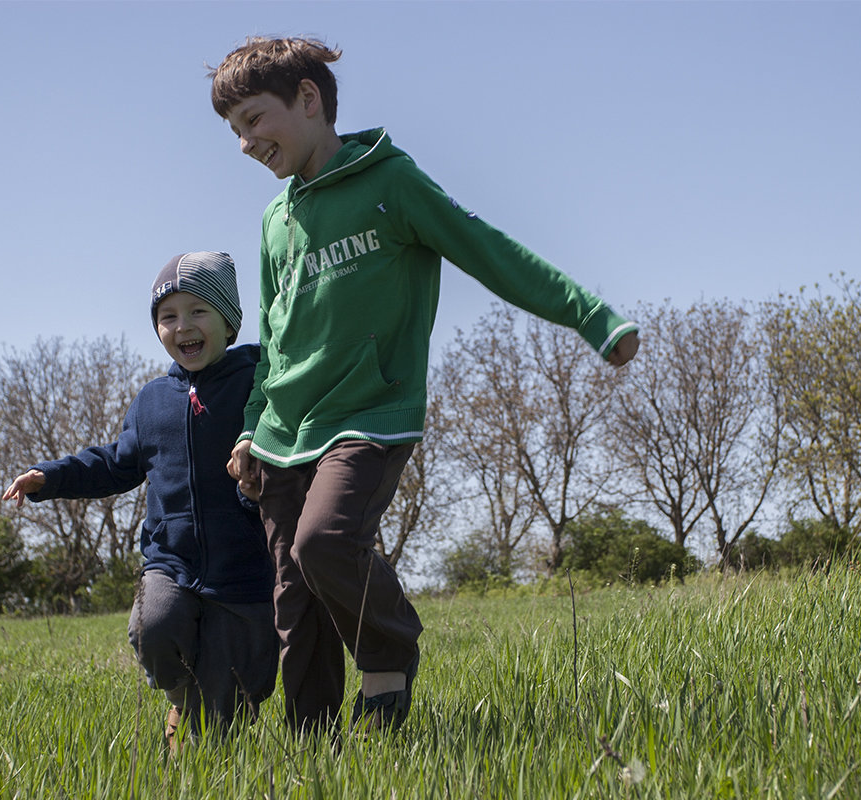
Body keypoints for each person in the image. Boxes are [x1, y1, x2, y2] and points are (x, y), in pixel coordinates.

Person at [209, 37, 640, 735]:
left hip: (369, 415)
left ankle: (389, 649)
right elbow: (275, 335)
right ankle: (313, 746)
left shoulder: (392, 184)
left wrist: (591, 316)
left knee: (325, 543)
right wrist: (251, 429)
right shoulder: (275, 219)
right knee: (296, 601)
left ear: (309, 100)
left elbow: (488, 250)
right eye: (234, 131)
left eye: (255, 120)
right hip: (284, 434)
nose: (244, 142)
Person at [2, 251, 278, 751]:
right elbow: (116, 462)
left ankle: (205, 732)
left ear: (229, 322)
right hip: (170, 560)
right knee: (154, 628)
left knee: (224, 717)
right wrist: (52, 477)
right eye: (167, 316)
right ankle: (181, 697)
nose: (182, 326)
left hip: (245, 567)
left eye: (199, 311)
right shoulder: (151, 400)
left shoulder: (258, 379)